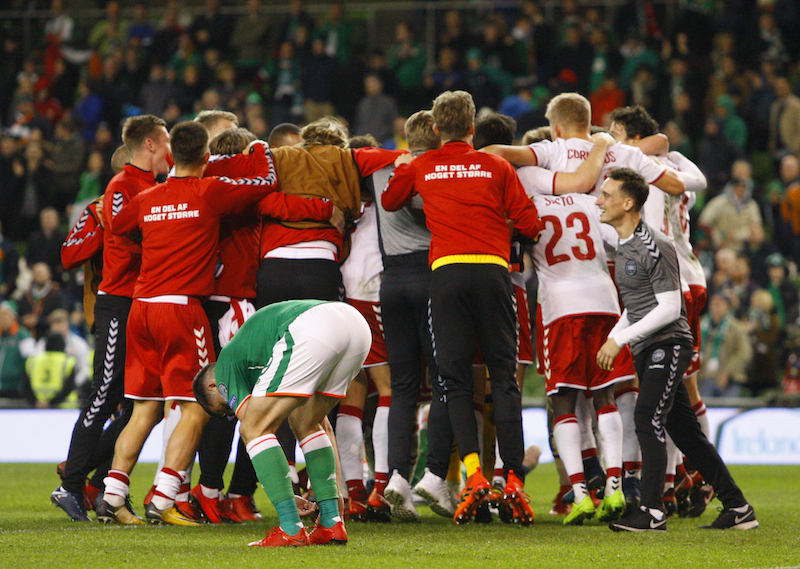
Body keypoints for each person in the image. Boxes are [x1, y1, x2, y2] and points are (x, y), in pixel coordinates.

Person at [96, 121, 279, 526]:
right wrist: (263, 148)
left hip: (140, 305)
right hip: (179, 308)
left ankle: (112, 495)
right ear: (205, 157)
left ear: (171, 154)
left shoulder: (148, 197)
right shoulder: (209, 191)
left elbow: (118, 224)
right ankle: (163, 498)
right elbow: (265, 182)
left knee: (144, 408)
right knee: (198, 405)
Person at [382, 90, 541, 525]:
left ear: (435, 129)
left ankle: (471, 476)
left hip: (447, 274)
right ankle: (511, 478)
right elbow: (531, 224)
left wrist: (412, 168)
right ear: (472, 127)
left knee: (453, 382)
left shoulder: (422, 164)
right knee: (504, 379)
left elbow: (391, 200)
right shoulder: (497, 166)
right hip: (492, 273)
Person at [595, 167, 758, 532]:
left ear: (628, 202)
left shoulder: (656, 244)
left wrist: (618, 340)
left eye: (606, 195)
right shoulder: (624, 245)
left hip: (668, 346)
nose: (599, 201)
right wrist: (615, 333)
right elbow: (636, 306)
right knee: (686, 435)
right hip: (649, 347)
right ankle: (738, 506)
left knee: (645, 418)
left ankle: (652, 512)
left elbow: (670, 307)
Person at [51, 115, 171, 523]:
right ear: (150, 145)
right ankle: (69, 485)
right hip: (116, 303)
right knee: (104, 395)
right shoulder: (119, 189)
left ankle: (99, 484)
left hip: (142, 303)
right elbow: (116, 234)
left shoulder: (153, 188)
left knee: (135, 406)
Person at [193, 299, 371, 546]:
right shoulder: (256, 354)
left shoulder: (224, 367)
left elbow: (255, 427)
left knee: (253, 427)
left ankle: (290, 528)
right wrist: (336, 498)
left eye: (226, 406)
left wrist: (285, 495)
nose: (232, 408)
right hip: (356, 327)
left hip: (314, 327)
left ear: (214, 386)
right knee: (308, 422)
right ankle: (332, 524)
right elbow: (325, 429)